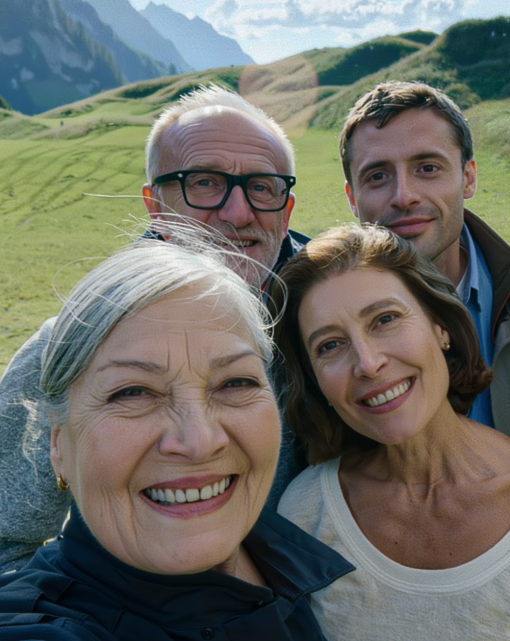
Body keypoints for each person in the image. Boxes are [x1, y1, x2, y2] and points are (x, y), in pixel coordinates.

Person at [0, 85, 308, 573]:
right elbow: (4, 538)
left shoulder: (332, 337)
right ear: (156, 206)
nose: (237, 212)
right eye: (204, 182)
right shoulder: (79, 343)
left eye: (263, 186)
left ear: (286, 213)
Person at [271, 224, 510, 641]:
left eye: (385, 319)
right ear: (315, 381)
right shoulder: (306, 512)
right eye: (329, 345)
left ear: (442, 327)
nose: (367, 363)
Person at [0, 232, 353, 639]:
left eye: (235, 383)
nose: (200, 441)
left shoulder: (300, 559)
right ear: (57, 443)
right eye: (133, 392)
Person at [338, 81, 510, 470]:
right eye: (378, 176)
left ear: (468, 178)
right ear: (352, 198)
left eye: (427, 168)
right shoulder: (323, 323)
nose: (404, 195)